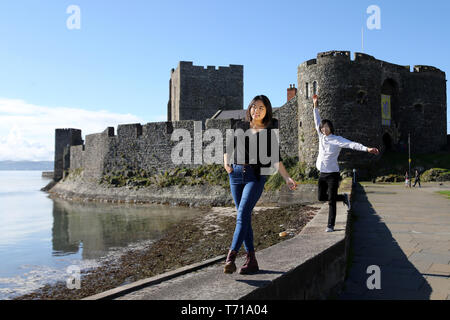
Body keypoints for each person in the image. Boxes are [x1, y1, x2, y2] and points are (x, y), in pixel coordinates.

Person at [223, 94, 298, 274]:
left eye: (261, 108)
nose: (256, 111)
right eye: (254, 107)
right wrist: (226, 164)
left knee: (242, 214)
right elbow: (228, 148)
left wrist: (287, 177)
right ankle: (252, 260)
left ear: (267, 112)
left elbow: (276, 159)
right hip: (235, 175)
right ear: (250, 108)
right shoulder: (239, 126)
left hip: (255, 176)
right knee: (245, 216)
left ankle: (231, 257)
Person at [312, 95, 379, 232]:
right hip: (322, 173)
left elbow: (352, 144)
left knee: (331, 201)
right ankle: (343, 197)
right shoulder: (321, 137)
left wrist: (367, 149)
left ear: (331, 128)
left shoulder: (337, 139)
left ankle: (330, 225)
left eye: (326, 127)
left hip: (333, 174)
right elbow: (316, 120)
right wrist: (315, 105)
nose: (324, 129)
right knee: (321, 197)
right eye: (322, 128)